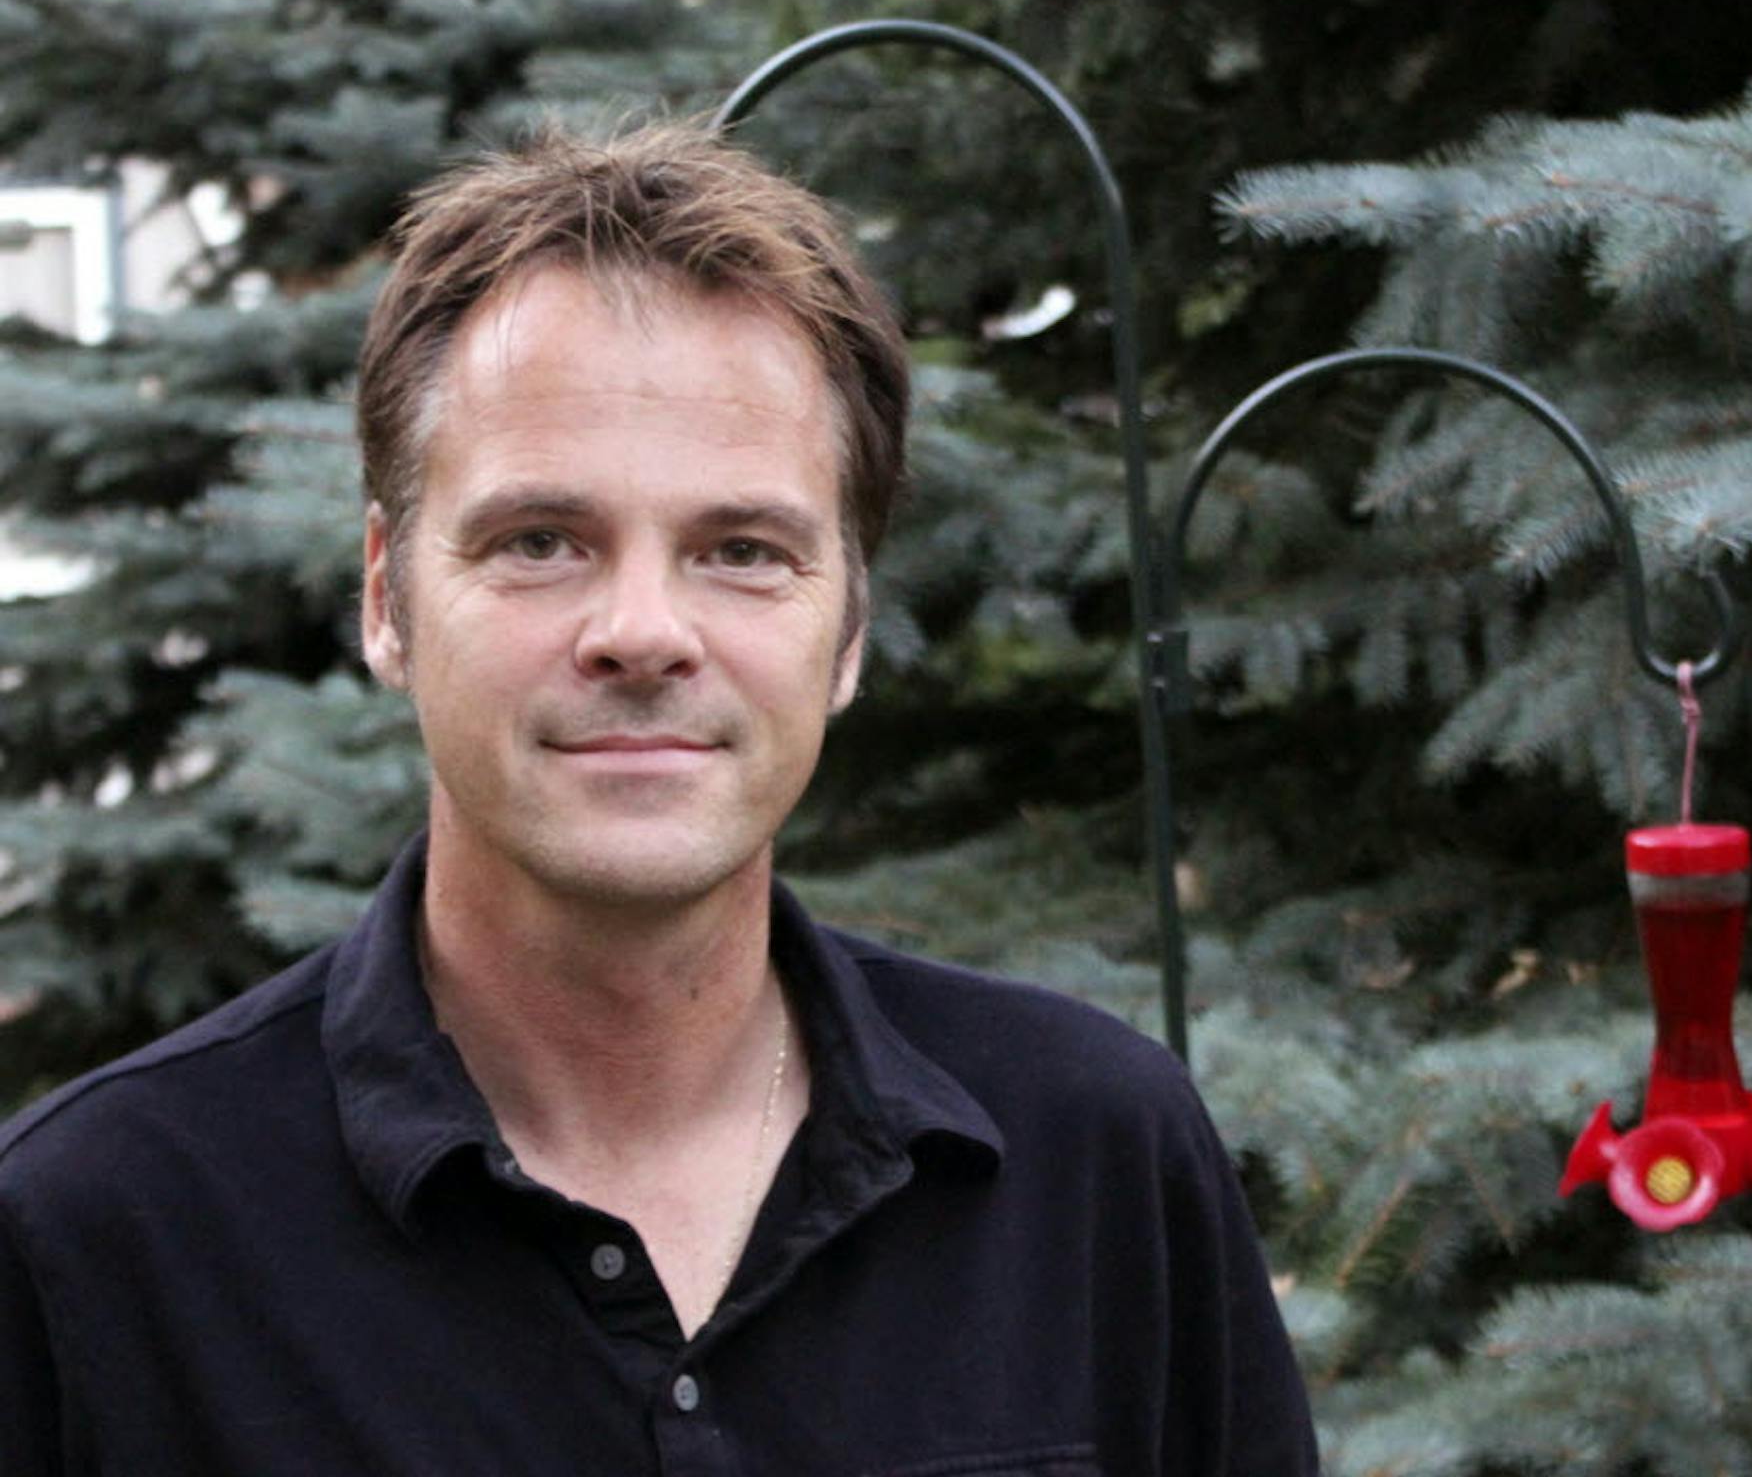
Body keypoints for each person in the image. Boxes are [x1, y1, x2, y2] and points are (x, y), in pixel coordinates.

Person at [0, 118, 1319, 1475]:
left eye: (742, 550)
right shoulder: (97, 1237)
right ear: (388, 598)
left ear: (850, 627)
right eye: (540, 542)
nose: (642, 629)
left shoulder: (1096, 1163)